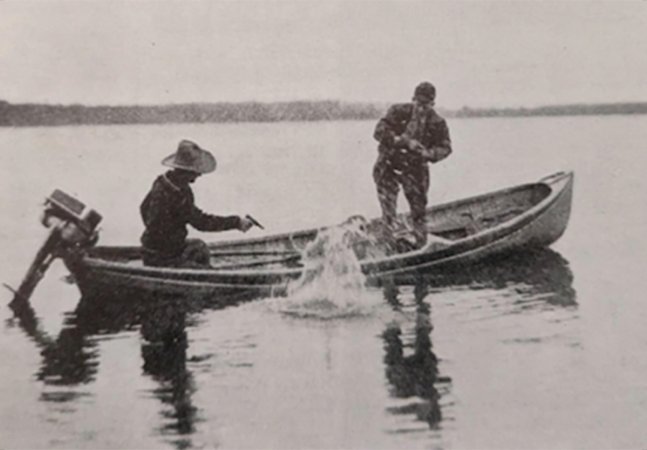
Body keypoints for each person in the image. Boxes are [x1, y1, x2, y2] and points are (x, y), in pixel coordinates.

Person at [140, 140, 254, 268]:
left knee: (199, 247)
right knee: (207, 273)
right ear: (186, 170)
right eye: (196, 170)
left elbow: (143, 208)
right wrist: (236, 222)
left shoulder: (162, 182)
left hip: (155, 249)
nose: (199, 174)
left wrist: (157, 232)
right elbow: (201, 222)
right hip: (161, 257)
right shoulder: (175, 194)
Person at [373, 81, 452, 251]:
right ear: (413, 99)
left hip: (415, 168)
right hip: (388, 164)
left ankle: (421, 248)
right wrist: (403, 141)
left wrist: (428, 154)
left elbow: (446, 148)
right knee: (388, 211)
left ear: (433, 104)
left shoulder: (437, 122)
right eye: (419, 103)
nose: (422, 108)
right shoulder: (397, 111)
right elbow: (379, 131)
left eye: (426, 104)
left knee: (419, 212)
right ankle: (389, 249)